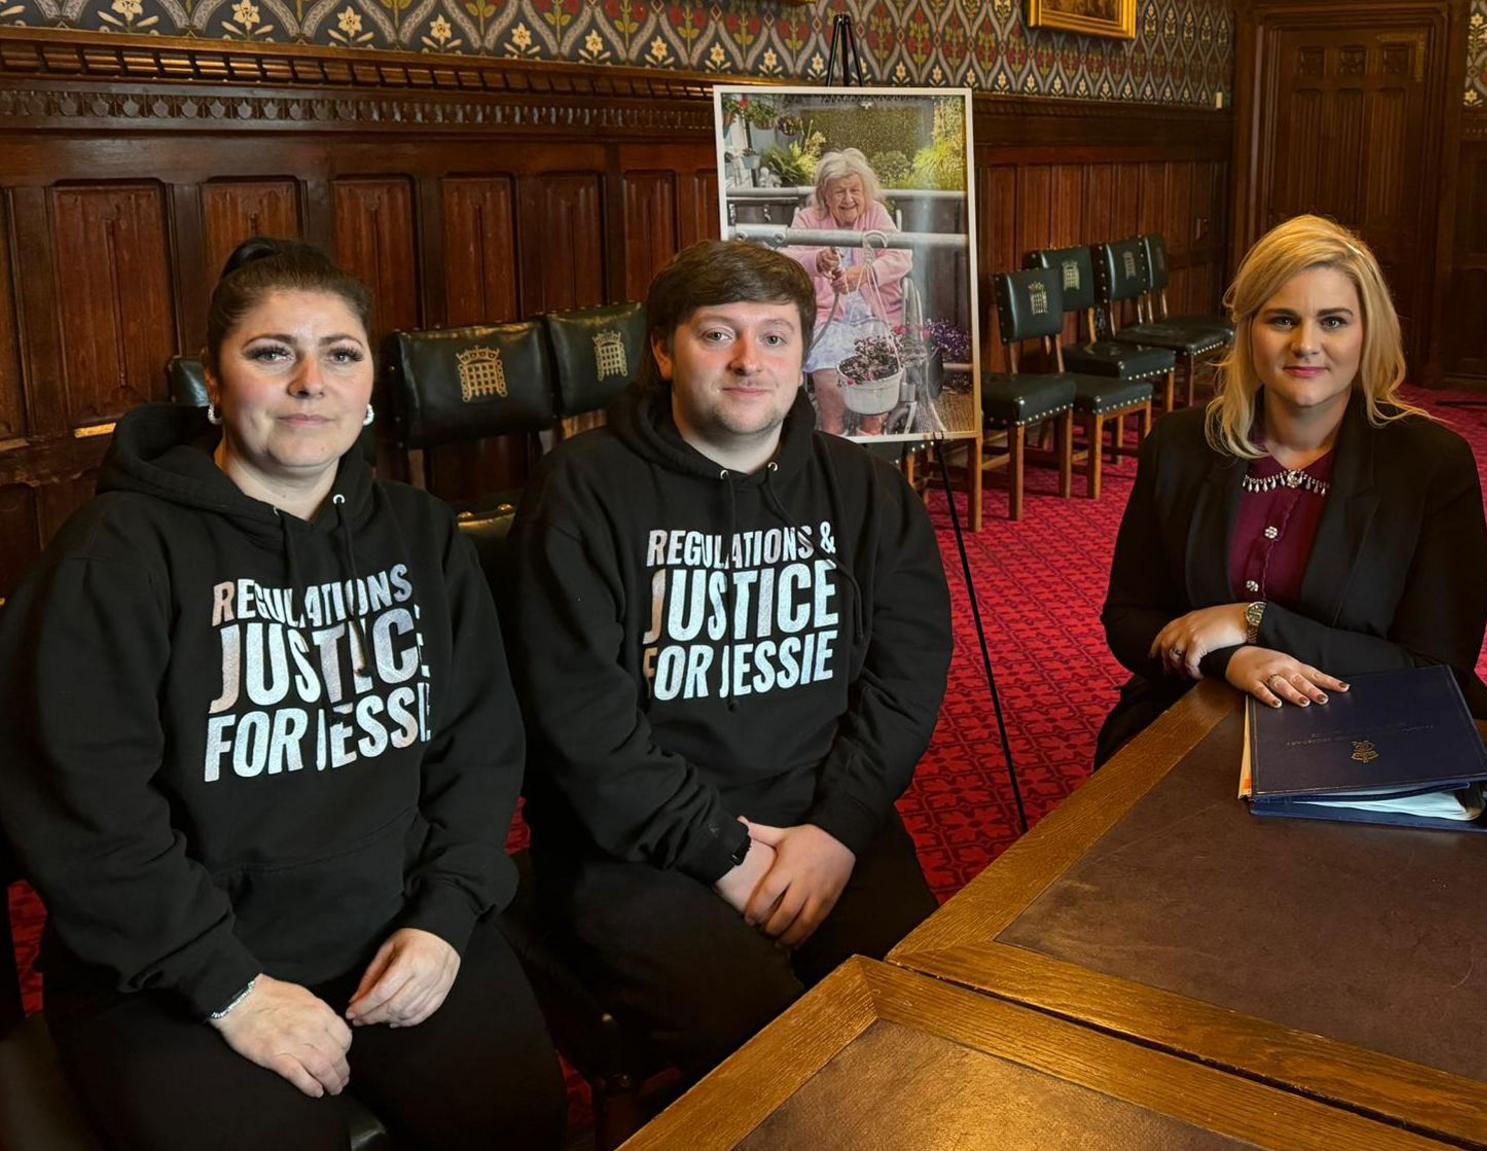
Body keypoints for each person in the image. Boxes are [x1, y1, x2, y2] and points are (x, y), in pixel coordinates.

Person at [0, 239, 565, 1150]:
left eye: (340, 353)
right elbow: (84, 810)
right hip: (168, 962)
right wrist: (228, 985)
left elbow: (481, 747)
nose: (311, 381)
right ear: (214, 386)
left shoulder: (422, 536)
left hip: (396, 926)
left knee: (518, 1120)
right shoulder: (115, 555)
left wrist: (449, 916)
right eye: (271, 353)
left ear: (371, 382)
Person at [508, 240, 951, 1082]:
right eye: (718, 335)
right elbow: (579, 722)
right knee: (769, 1052)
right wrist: (721, 852)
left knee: (924, 1015)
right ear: (664, 350)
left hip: (821, 818)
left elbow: (906, 679)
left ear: (802, 353)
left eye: (776, 337)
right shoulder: (581, 490)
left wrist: (837, 828)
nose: (750, 361)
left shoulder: (868, 491)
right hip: (634, 847)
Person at [1097, 214, 1487, 764]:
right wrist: (1230, 660)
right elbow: (1129, 617)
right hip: (1201, 702)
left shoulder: (1431, 464)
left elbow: (1437, 667)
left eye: (1333, 321)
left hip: (1375, 723)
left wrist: (1252, 621)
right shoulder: (1181, 444)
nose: (1306, 344)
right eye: (1282, 319)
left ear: (1367, 332)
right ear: (1247, 330)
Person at [786, 148, 913, 435]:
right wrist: (816, 260)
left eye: (854, 190)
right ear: (824, 195)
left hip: (875, 313)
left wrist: (867, 274)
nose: (848, 199)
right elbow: (787, 258)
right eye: (839, 192)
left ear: (865, 191)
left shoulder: (876, 214)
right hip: (827, 316)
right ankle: (834, 432)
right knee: (828, 361)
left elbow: (902, 256)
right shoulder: (808, 219)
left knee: (879, 359)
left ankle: (873, 429)